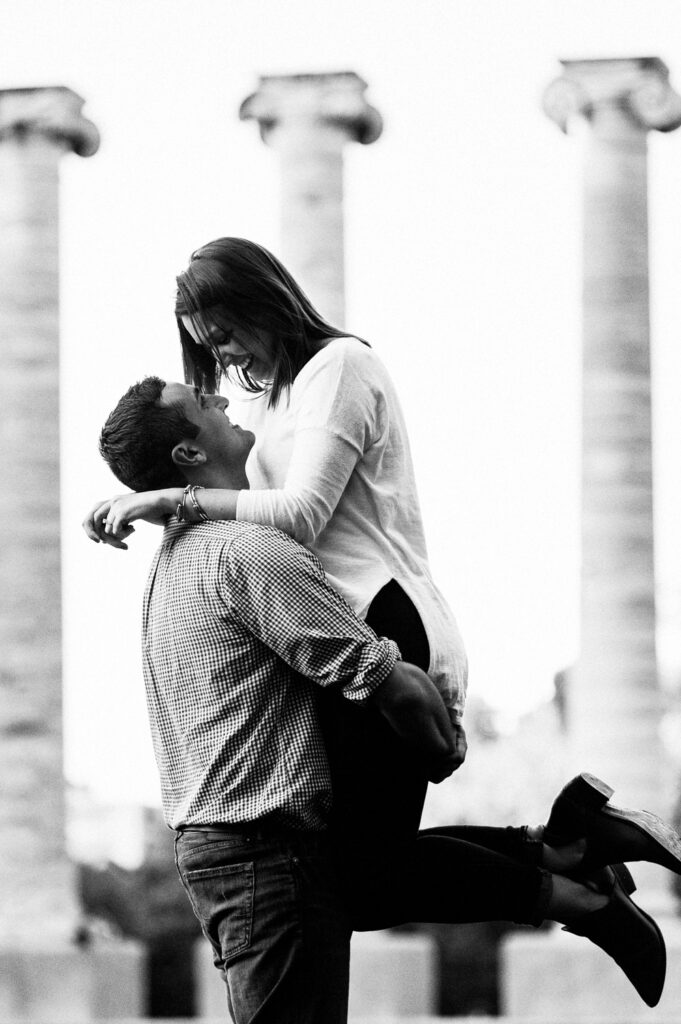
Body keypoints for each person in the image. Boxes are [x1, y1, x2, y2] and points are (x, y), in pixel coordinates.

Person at [95, 374, 675, 1019]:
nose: (225, 399)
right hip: (262, 855)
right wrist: (440, 743)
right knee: (370, 880)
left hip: (227, 850)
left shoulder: (171, 564)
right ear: (188, 454)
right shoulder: (245, 551)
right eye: (205, 404)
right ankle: (568, 861)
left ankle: (567, 865)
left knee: (369, 880)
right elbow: (391, 680)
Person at [83, 236, 468, 850]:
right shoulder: (264, 405)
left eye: (225, 334)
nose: (223, 357)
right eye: (209, 346)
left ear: (263, 303)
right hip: (328, 629)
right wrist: (156, 496)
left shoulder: (340, 367)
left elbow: (299, 515)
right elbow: (235, 501)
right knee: (358, 869)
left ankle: (562, 864)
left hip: (382, 614)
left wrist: (169, 500)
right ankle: (561, 850)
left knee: (370, 868)